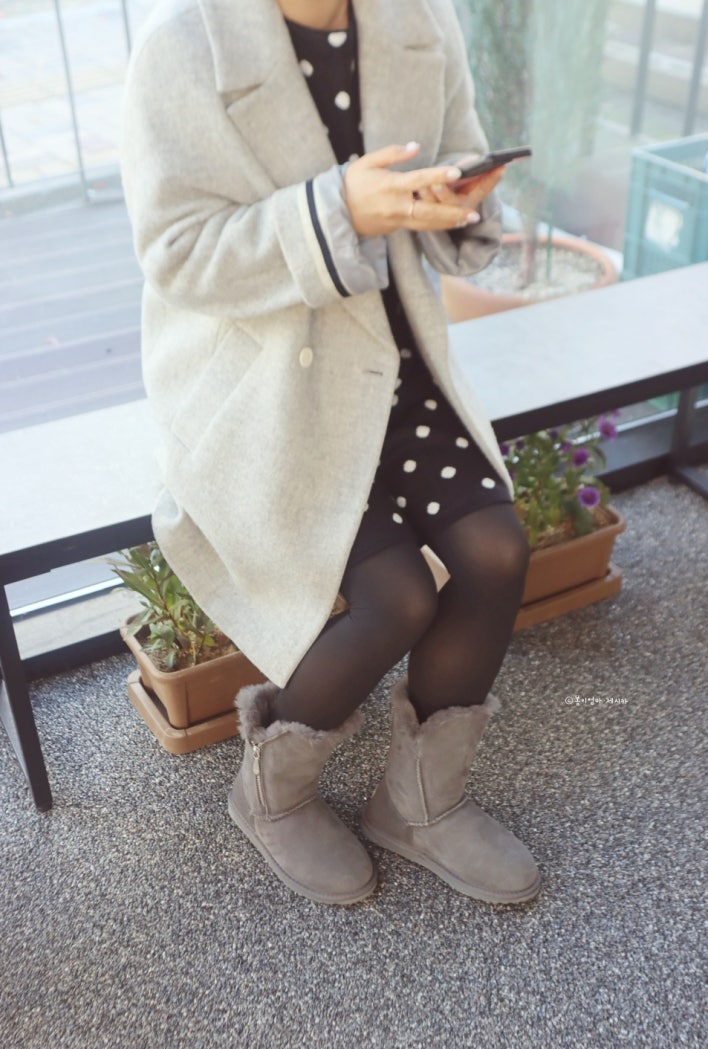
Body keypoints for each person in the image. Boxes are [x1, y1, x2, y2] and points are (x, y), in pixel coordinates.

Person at [121, 0, 541, 907]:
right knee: (396, 597)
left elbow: (455, 176)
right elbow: (176, 252)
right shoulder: (180, 45)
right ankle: (270, 794)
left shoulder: (419, 17)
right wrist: (335, 210)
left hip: (396, 360)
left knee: (495, 550)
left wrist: (457, 203)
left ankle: (418, 804)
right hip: (269, 390)